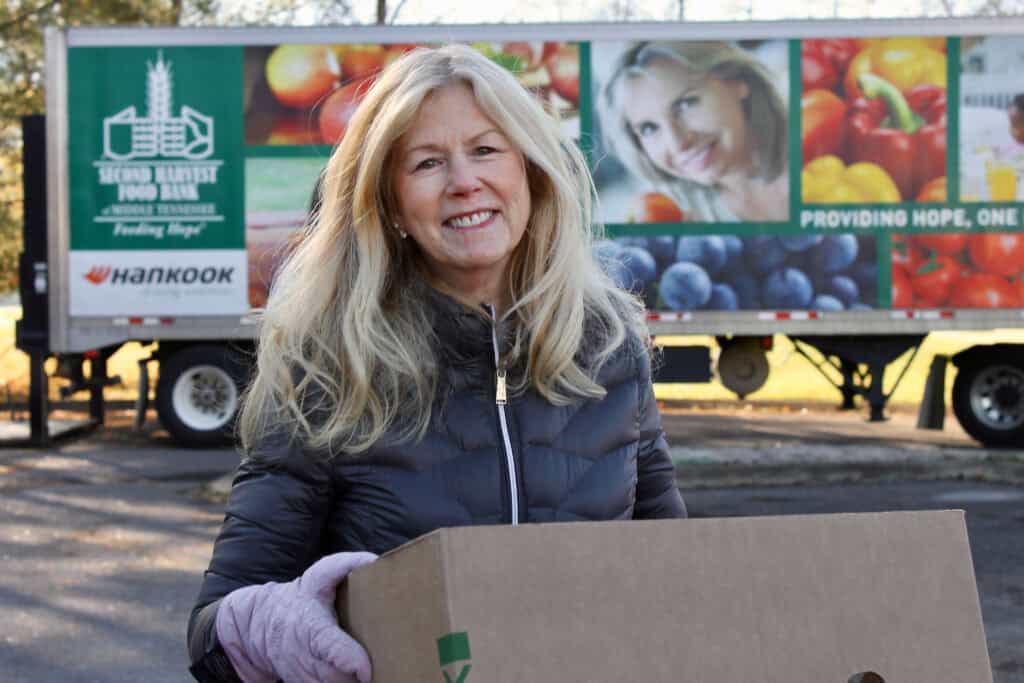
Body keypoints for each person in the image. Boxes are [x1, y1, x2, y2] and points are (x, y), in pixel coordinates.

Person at [187, 43, 686, 683]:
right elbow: (210, 636)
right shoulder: (329, 368)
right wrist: (275, 625)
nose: (463, 181)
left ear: (530, 172)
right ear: (391, 204)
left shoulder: (612, 348)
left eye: (485, 150)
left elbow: (675, 573)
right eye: (427, 163)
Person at [598, 41, 789, 222]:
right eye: (649, 128)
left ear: (736, 82)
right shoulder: (672, 214)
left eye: (686, 104)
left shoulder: (810, 151)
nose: (678, 143)